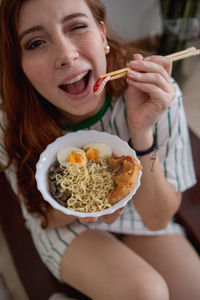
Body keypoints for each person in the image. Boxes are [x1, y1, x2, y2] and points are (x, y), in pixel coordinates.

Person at [0, 0, 200, 299]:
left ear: (102, 34)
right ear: (20, 64)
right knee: (146, 291)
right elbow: (46, 218)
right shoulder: (9, 122)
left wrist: (142, 132)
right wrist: (88, 204)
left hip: (139, 213)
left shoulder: (154, 94)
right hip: (64, 224)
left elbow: (157, 218)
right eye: (36, 42)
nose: (66, 55)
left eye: (77, 26)